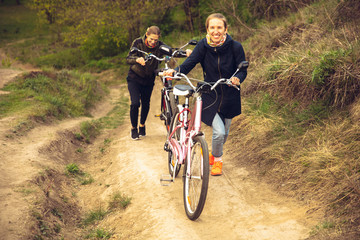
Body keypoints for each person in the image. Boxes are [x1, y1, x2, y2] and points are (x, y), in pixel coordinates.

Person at [164, 13, 247, 176]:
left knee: (225, 133)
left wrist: (237, 78)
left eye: (219, 27)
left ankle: (213, 154)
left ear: (225, 29)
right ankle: (217, 160)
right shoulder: (203, 46)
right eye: (212, 28)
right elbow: (189, 63)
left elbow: (242, 69)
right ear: (207, 29)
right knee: (219, 132)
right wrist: (175, 72)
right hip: (209, 93)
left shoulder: (235, 47)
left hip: (230, 94)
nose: (216, 31)